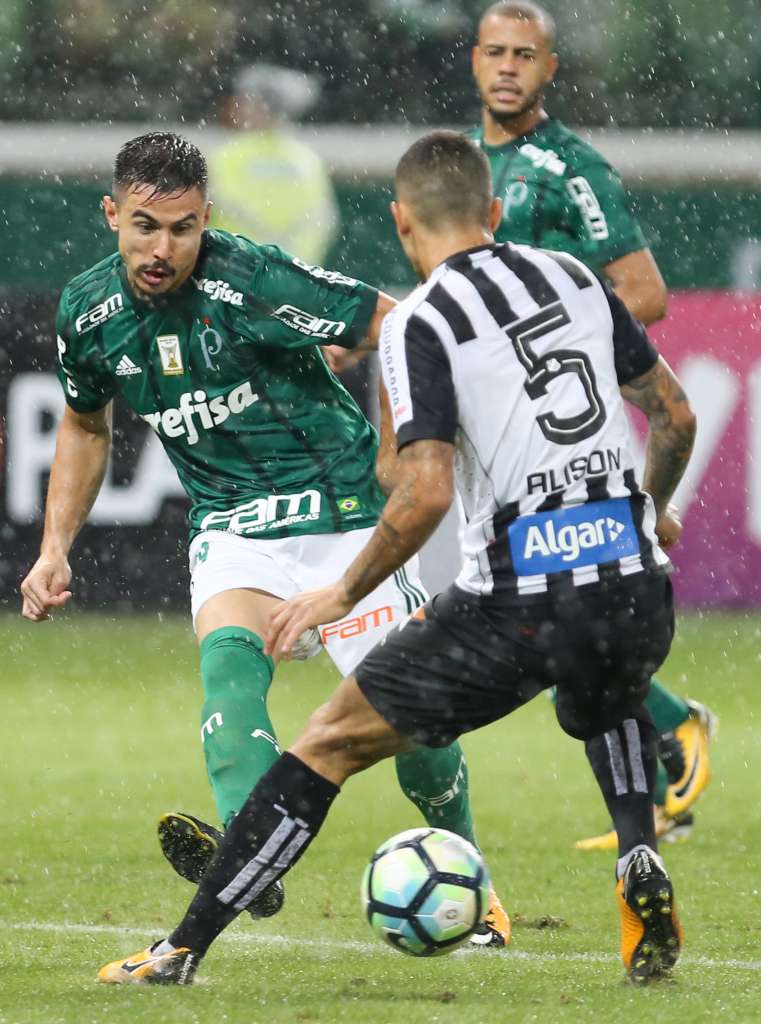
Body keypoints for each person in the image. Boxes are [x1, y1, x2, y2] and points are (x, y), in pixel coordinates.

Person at [98, 129, 696, 988]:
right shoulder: (575, 279)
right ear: (492, 212)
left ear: (401, 225)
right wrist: (653, 507)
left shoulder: (421, 320)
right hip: (632, 584)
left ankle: (181, 950)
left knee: (329, 742)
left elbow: (420, 495)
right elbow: (672, 415)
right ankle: (639, 855)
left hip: (517, 596)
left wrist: (341, 589)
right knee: (608, 689)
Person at [19, 131, 509, 947]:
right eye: (144, 225)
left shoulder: (250, 276)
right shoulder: (89, 313)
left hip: (347, 516)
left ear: (206, 218)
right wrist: (53, 547)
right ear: (112, 215)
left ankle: (475, 882)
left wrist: (397, 450)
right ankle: (252, 866)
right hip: (234, 525)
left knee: (419, 732)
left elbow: (395, 323)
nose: (161, 247)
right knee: (228, 683)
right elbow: (83, 422)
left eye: (181, 228)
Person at [469, 0, 716, 848]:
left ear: (550, 70)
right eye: (494, 52)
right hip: (492, 426)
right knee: (543, 611)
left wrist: (550, 324)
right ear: (473, 61)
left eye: (524, 54)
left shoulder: (569, 167)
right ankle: (659, 751)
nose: (507, 67)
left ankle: (667, 735)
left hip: (557, 426)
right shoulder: (465, 167)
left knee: (539, 609)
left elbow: (644, 294)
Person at [209, 63, 339, 264]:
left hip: (235, 277)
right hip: (296, 278)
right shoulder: (307, 160)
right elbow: (323, 222)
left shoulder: (225, 157)